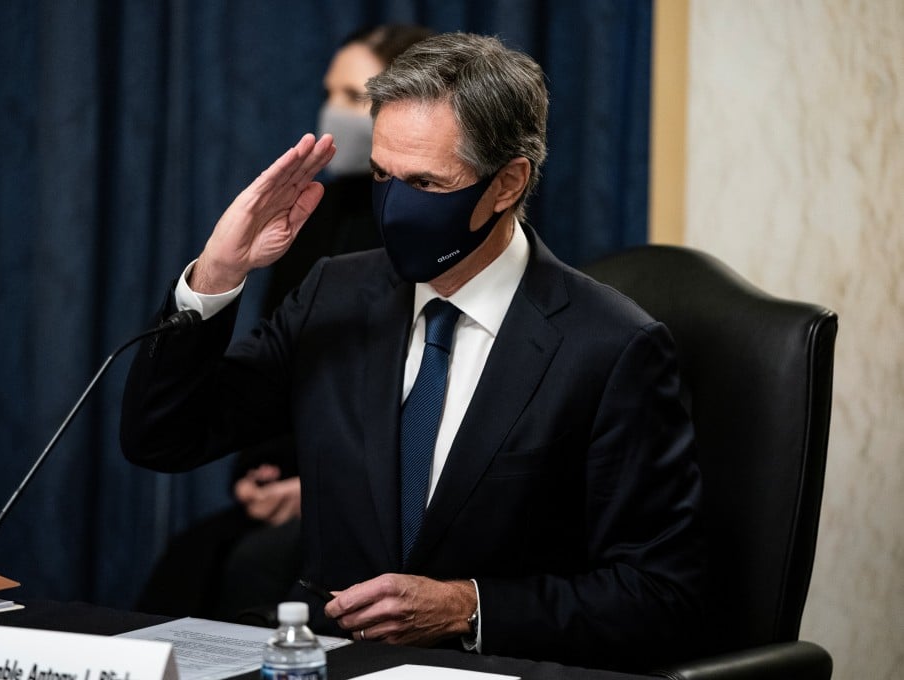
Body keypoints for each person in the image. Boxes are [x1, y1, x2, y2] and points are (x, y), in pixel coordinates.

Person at [121, 33, 706, 671]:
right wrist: (215, 274)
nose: (393, 208)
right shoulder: (335, 293)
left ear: (507, 183)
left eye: (426, 183)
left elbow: (660, 596)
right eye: (381, 174)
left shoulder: (611, 347)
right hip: (330, 661)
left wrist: (470, 607)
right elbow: (164, 438)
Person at [134, 25, 432, 623]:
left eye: (353, 97)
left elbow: (426, 398)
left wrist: (314, 485)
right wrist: (261, 473)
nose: (332, 112)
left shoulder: (431, 235)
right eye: (331, 92)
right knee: (186, 565)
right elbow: (280, 365)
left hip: (380, 505)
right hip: (299, 476)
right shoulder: (312, 222)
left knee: (255, 569)